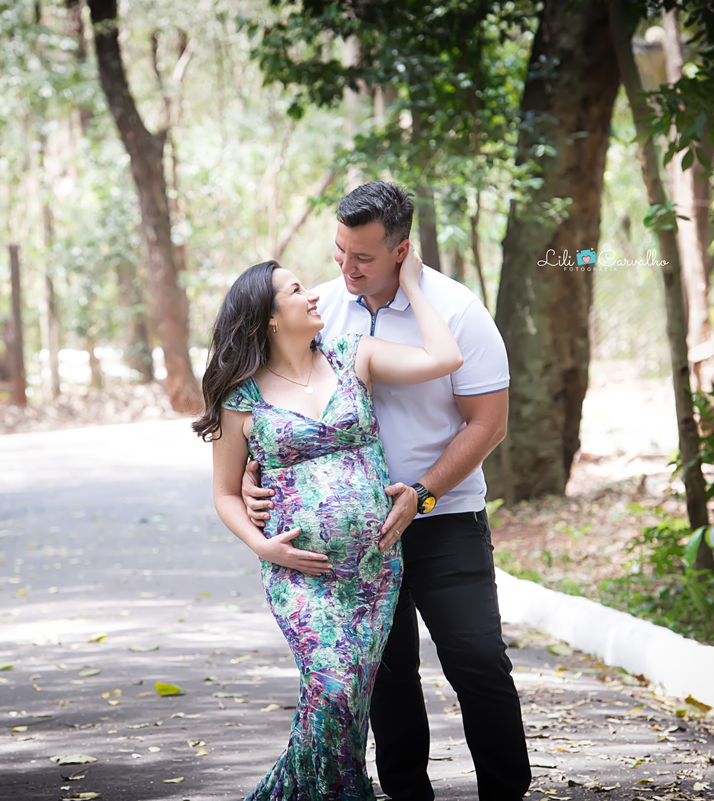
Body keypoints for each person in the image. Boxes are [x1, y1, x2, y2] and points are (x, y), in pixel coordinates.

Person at [241, 181, 531, 801]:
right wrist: (251, 471)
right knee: (387, 677)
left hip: (443, 516)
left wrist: (420, 494)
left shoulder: (456, 312)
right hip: (363, 543)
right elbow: (274, 398)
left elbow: (491, 423)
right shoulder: (323, 309)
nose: (346, 268)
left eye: (363, 258)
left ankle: (506, 794)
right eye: (340, 250)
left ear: (402, 252)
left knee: (477, 663)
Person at [193, 248, 463, 799]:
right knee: (335, 692)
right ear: (269, 317)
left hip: (373, 573)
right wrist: (263, 546)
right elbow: (224, 494)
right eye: (295, 290)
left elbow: (444, 357)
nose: (313, 294)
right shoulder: (239, 398)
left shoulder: (351, 354)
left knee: (345, 711)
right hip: (301, 577)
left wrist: (411, 284)